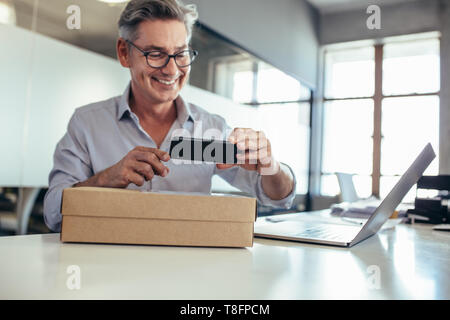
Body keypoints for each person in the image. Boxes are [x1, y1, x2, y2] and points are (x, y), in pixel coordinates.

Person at [43, 0, 296, 232]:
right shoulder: (87, 123)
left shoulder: (210, 128)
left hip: (187, 272)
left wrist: (271, 166)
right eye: (155, 54)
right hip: (109, 269)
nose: (172, 69)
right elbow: (53, 213)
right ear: (124, 52)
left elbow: (279, 198)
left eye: (181, 53)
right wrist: (105, 179)